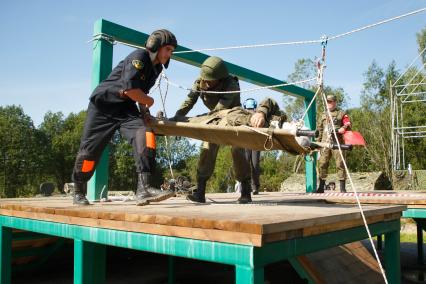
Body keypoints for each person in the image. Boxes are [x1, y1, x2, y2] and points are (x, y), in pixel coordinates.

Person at [71, 29, 177, 206]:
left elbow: (141, 92)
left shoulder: (156, 67)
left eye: (171, 51)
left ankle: (144, 188)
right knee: (90, 151)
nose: (169, 54)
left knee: (145, 133)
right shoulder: (139, 56)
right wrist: (149, 101)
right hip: (103, 106)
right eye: (168, 49)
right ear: (155, 45)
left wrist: (144, 113)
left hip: (125, 109)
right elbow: (131, 90)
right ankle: (78, 191)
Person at [174, 56, 253, 204]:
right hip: (214, 119)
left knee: (238, 150)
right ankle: (200, 192)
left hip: (232, 117)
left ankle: (246, 191)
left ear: (220, 78)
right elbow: (189, 101)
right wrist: (177, 117)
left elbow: (218, 111)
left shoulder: (231, 85)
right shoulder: (200, 82)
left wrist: (196, 120)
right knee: (207, 147)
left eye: (211, 81)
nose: (207, 84)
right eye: (206, 80)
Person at [316, 94, 351, 193]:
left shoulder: (341, 113)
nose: (329, 103)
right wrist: (317, 144)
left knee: (340, 163)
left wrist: (343, 128)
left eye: (330, 101)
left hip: (337, 143)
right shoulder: (323, 114)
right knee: (322, 163)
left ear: (335, 102)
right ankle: (321, 187)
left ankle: (343, 188)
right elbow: (320, 130)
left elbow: (347, 124)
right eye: (327, 101)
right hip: (325, 143)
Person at [243, 98, 261, 195]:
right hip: (255, 143)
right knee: (255, 165)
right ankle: (255, 187)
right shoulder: (258, 115)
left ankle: (246, 187)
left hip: (246, 143)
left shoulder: (243, 114)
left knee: (245, 164)